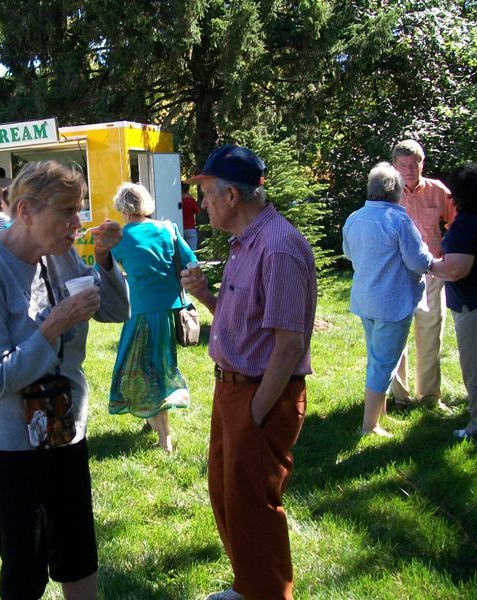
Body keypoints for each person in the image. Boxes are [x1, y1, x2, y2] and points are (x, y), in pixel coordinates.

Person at [0, 160, 129, 600]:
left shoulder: (62, 254)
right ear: (25, 211)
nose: (77, 223)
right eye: (67, 212)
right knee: (26, 565)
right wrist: (52, 327)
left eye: (79, 210)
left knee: (78, 550)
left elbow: (113, 310)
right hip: (11, 442)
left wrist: (108, 261)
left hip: (65, 430)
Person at [181, 145, 316, 600]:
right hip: (233, 391)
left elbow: (289, 344)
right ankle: (249, 586)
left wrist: (256, 411)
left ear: (232, 197)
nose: (203, 206)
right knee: (228, 495)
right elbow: (247, 326)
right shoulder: (245, 243)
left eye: (206, 196)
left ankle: (269, 593)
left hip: (263, 394)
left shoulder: (278, 248)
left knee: (254, 502)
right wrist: (206, 296)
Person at [343, 163, 433, 437]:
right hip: (391, 302)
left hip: (365, 299)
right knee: (383, 363)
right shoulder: (398, 220)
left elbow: (348, 253)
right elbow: (418, 261)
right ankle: (369, 426)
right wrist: (432, 259)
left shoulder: (355, 218)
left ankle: (377, 413)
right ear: (397, 191)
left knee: (376, 358)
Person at [108, 182, 196, 454]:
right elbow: (191, 261)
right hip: (170, 313)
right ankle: (151, 420)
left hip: (142, 314)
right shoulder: (168, 229)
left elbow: (113, 268)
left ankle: (164, 438)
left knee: (145, 371)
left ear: (123, 207)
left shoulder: (120, 238)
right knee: (157, 366)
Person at [390, 140, 457, 410]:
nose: (409, 170)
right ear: (394, 165)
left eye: (414, 164)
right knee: (396, 335)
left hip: (432, 272)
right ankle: (399, 397)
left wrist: (449, 254)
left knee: (431, 333)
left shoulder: (438, 190)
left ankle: (430, 396)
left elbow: (457, 222)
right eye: (403, 165)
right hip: (397, 274)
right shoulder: (387, 191)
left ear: (422, 163)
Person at [430, 163, 477, 443]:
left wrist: (430, 265)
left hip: (472, 306)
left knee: (474, 368)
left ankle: (475, 426)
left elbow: (457, 268)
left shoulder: (465, 224)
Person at [181, 182, 200, 250]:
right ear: (188, 189)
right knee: (192, 252)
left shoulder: (177, 201)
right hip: (190, 229)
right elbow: (197, 211)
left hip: (180, 228)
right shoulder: (191, 201)